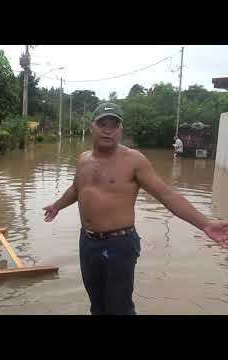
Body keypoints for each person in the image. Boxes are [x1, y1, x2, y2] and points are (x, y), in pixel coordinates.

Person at [43, 102, 228, 315]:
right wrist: (57, 206)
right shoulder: (84, 159)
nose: (107, 129)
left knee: (119, 308)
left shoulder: (133, 160)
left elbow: (167, 195)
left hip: (119, 244)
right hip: (88, 241)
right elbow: (78, 188)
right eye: (102, 123)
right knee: (97, 305)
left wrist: (205, 224)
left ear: (121, 129)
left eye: (114, 125)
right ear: (91, 126)